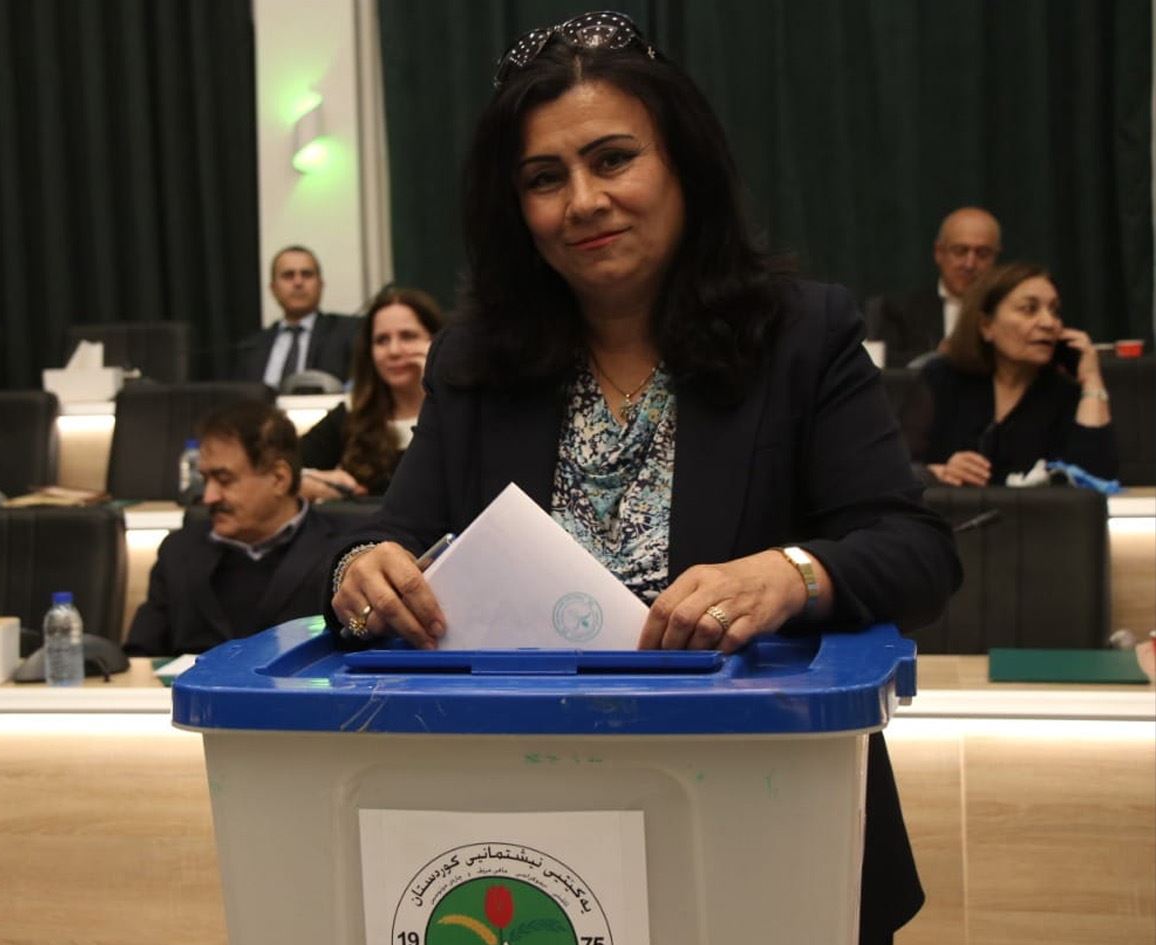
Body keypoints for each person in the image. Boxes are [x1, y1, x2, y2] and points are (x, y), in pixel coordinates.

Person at [324, 12, 960, 943]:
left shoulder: (801, 335)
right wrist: (360, 572)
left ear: (684, 165)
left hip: (766, 817)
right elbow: (390, 539)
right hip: (519, 832)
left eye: (613, 159)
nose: (583, 201)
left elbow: (916, 552)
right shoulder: (474, 360)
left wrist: (789, 573)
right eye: (545, 178)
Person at [122, 400, 341, 656]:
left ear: (279, 479)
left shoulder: (341, 555)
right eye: (205, 480)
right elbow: (141, 657)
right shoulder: (178, 551)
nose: (209, 497)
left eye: (224, 480)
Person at [913, 261, 1115, 486]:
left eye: (1054, 311)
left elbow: (1096, 482)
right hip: (950, 508)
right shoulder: (941, 379)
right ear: (986, 326)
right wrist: (938, 473)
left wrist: (1092, 380)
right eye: (1029, 309)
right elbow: (897, 469)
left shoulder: (1066, 393)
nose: (1049, 323)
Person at [298, 286, 443, 501]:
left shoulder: (460, 413)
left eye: (408, 336)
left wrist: (437, 386)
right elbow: (282, 468)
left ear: (437, 342)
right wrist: (311, 481)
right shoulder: (352, 413)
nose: (394, 351)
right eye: (382, 340)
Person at [866, 207, 1002, 368]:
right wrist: (937, 358)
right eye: (960, 251)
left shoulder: (1005, 311)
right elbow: (882, 366)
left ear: (996, 257)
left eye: (983, 253)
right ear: (939, 253)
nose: (970, 264)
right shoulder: (898, 311)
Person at [234, 245, 359, 388]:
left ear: (320, 284)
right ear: (273, 288)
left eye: (307, 275)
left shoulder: (350, 333)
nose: (298, 282)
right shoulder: (251, 348)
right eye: (288, 275)